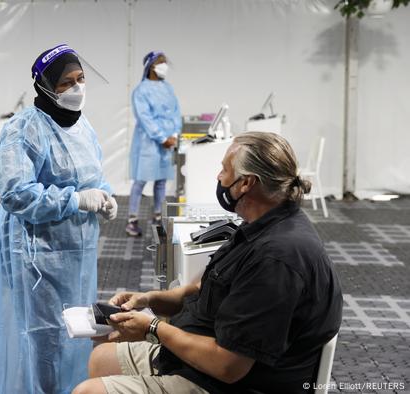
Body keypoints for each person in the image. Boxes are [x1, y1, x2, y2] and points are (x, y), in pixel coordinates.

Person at [73, 132, 343, 394]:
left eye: (224, 170)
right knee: (102, 358)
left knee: (88, 391)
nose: (218, 177)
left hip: (233, 382)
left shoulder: (276, 259)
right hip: (203, 360)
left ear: (246, 183)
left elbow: (228, 366)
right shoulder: (260, 227)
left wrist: (152, 329)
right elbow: (203, 288)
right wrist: (150, 299)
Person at [0, 44, 117, 394]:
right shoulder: (23, 129)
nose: (77, 88)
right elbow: (16, 193)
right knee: (44, 335)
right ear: (46, 87)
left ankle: (71, 388)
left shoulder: (83, 125)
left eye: (81, 79)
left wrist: (105, 195)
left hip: (77, 252)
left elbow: (91, 173)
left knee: (77, 329)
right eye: (67, 82)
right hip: (38, 253)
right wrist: (75, 200)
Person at [126, 51, 182, 237]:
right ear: (151, 66)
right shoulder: (141, 91)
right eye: (161, 62)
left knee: (160, 182)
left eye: (166, 62)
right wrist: (162, 138)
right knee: (140, 180)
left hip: (167, 141)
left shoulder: (168, 88)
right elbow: (145, 118)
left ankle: (157, 215)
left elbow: (175, 111)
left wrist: (174, 134)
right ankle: (132, 219)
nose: (165, 65)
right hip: (148, 143)